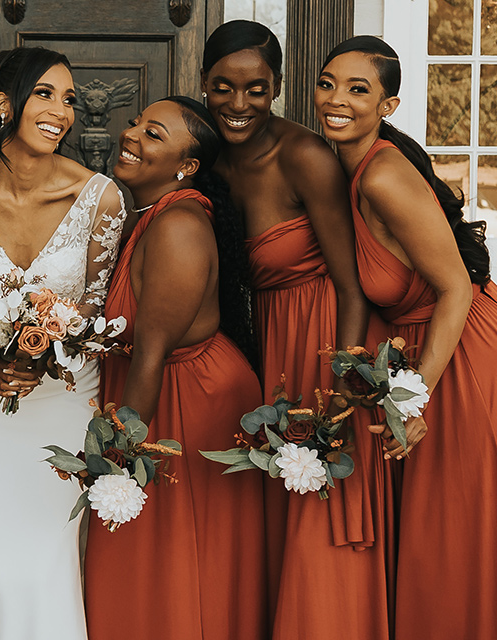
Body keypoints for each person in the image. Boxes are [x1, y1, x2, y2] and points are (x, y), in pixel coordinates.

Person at [200, 21, 388, 639]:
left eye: (256, 89)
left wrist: (341, 380)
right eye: (224, 87)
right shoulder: (212, 161)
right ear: (204, 83)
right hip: (268, 343)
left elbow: (352, 283)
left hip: (324, 336)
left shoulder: (304, 155)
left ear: (277, 86)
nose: (238, 103)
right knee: (282, 489)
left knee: (320, 491)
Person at [0, 47, 126, 639]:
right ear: (4, 104)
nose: (62, 111)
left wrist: (41, 360)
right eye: (45, 94)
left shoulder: (102, 199)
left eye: (69, 99)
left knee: (46, 555)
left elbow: (94, 318)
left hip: (66, 401)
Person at [315, 35, 497, 639]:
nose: (336, 99)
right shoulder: (345, 165)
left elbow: (457, 291)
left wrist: (411, 398)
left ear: (388, 106)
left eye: (358, 90)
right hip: (422, 355)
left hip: (460, 353)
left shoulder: (382, 177)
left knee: (450, 539)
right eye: (327, 83)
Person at [84, 96, 266, 640]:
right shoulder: (150, 215)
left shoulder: (177, 225)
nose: (131, 134)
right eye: (137, 122)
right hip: (161, 383)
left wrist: (119, 461)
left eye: (153, 133)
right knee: (159, 555)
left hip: (185, 395)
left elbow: (153, 351)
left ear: (186, 167)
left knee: (162, 547)